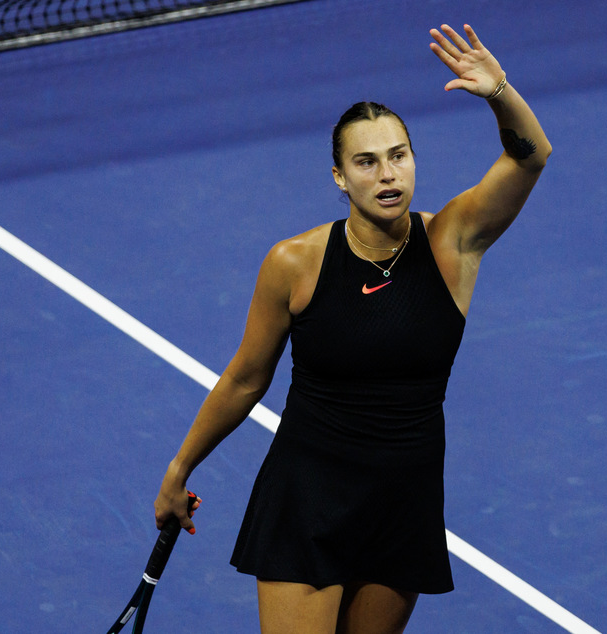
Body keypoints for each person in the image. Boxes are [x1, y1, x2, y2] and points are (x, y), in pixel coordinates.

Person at [154, 23, 551, 633]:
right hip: (308, 495)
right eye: (366, 162)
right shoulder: (295, 263)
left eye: (398, 156)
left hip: (403, 499)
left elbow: (531, 155)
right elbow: (244, 379)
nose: (387, 174)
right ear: (340, 177)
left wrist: (499, 91)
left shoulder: (453, 243)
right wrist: (180, 470)